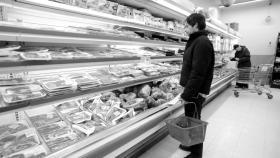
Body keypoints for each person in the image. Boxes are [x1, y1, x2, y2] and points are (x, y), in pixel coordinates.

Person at [179, 13, 215, 158]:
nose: (185, 28)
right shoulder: (196, 40)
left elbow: (198, 73)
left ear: (195, 25)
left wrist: (186, 94)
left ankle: (196, 154)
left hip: (195, 92)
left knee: (195, 122)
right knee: (191, 118)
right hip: (192, 89)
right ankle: (190, 145)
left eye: (187, 25)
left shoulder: (202, 42)